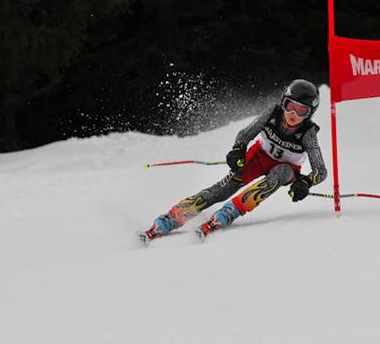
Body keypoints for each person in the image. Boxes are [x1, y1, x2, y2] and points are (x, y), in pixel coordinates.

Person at [139, 79, 327, 242]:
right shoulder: (272, 114)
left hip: (286, 169)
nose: (293, 114)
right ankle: (171, 219)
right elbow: (246, 133)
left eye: (301, 110)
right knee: (222, 189)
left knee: (281, 172)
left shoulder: (308, 133)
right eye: (289, 106)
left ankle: (230, 212)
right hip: (258, 157)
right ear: (283, 103)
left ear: (310, 113)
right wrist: (238, 149)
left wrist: (306, 182)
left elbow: (321, 170)